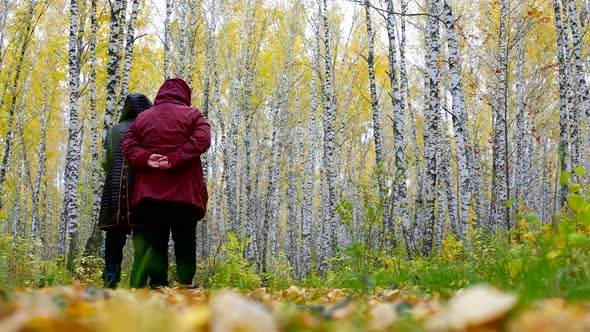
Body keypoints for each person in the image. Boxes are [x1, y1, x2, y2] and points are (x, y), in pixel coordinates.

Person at [122, 78, 211, 289]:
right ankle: (186, 283)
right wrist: (177, 157)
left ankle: (158, 285)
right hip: (184, 192)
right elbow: (203, 138)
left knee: (155, 240)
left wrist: (145, 157)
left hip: (150, 193)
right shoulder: (193, 115)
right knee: (185, 239)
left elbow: (128, 144)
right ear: (184, 94)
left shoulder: (143, 118)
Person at [98, 93, 153, 289]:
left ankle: (111, 278)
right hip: (140, 187)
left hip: (114, 186)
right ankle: (138, 282)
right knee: (142, 236)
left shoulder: (113, 131)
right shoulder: (147, 129)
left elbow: (106, 162)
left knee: (114, 236)